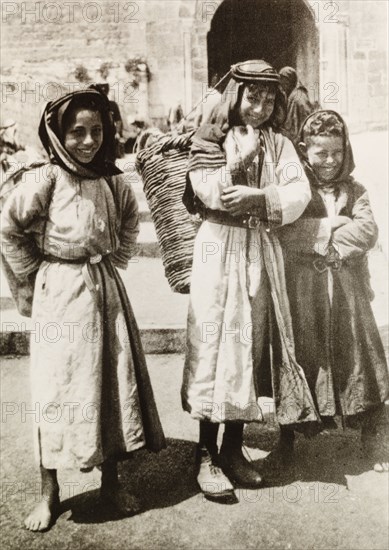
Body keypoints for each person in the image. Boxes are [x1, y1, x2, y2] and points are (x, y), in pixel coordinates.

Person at [0, 89, 165, 532]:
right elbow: (10, 228)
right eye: (77, 133)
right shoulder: (46, 178)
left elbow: (130, 217)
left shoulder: (110, 178)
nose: (89, 141)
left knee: (110, 382)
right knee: (56, 387)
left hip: (106, 290)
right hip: (61, 291)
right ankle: (49, 492)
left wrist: (117, 258)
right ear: (58, 134)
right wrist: (34, 283)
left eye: (96, 131)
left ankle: (112, 480)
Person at [182, 59, 320, 502]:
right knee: (213, 342)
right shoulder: (212, 138)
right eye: (251, 98)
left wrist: (261, 197)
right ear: (235, 97)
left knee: (248, 343)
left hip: (258, 246)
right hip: (217, 246)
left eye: (266, 99)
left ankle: (232, 448)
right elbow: (207, 189)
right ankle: (204, 453)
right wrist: (234, 175)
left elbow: (299, 191)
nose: (258, 108)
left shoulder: (279, 143)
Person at [277, 110, 389, 471]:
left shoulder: (356, 190)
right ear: (304, 152)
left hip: (346, 289)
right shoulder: (297, 192)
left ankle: (370, 432)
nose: (329, 161)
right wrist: (331, 224)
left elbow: (368, 231)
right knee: (303, 353)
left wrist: (325, 236)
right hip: (305, 291)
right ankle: (289, 435)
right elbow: (286, 234)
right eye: (320, 153)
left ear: (346, 151)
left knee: (358, 353)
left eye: (336, 153)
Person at [279, 66, 315, 145]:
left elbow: (307, 119)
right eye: (282, 83)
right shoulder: (291, 95)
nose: (283, 87)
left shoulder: (299, 97)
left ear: (291, 81)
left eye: (286, 83)